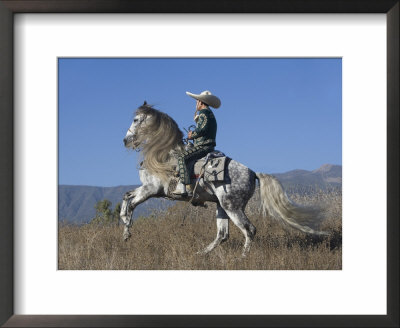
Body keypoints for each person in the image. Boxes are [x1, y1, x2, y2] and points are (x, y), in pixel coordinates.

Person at [173, 90, 221, 196]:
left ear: (200, 102)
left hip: (203, 146)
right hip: (209, 145)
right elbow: (205, 129)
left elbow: (201, 130)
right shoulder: (209, 114)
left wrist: (192, 135)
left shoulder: (204, 113)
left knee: (181, 157)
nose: (196, 105)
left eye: (196, 102)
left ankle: (186, 188)